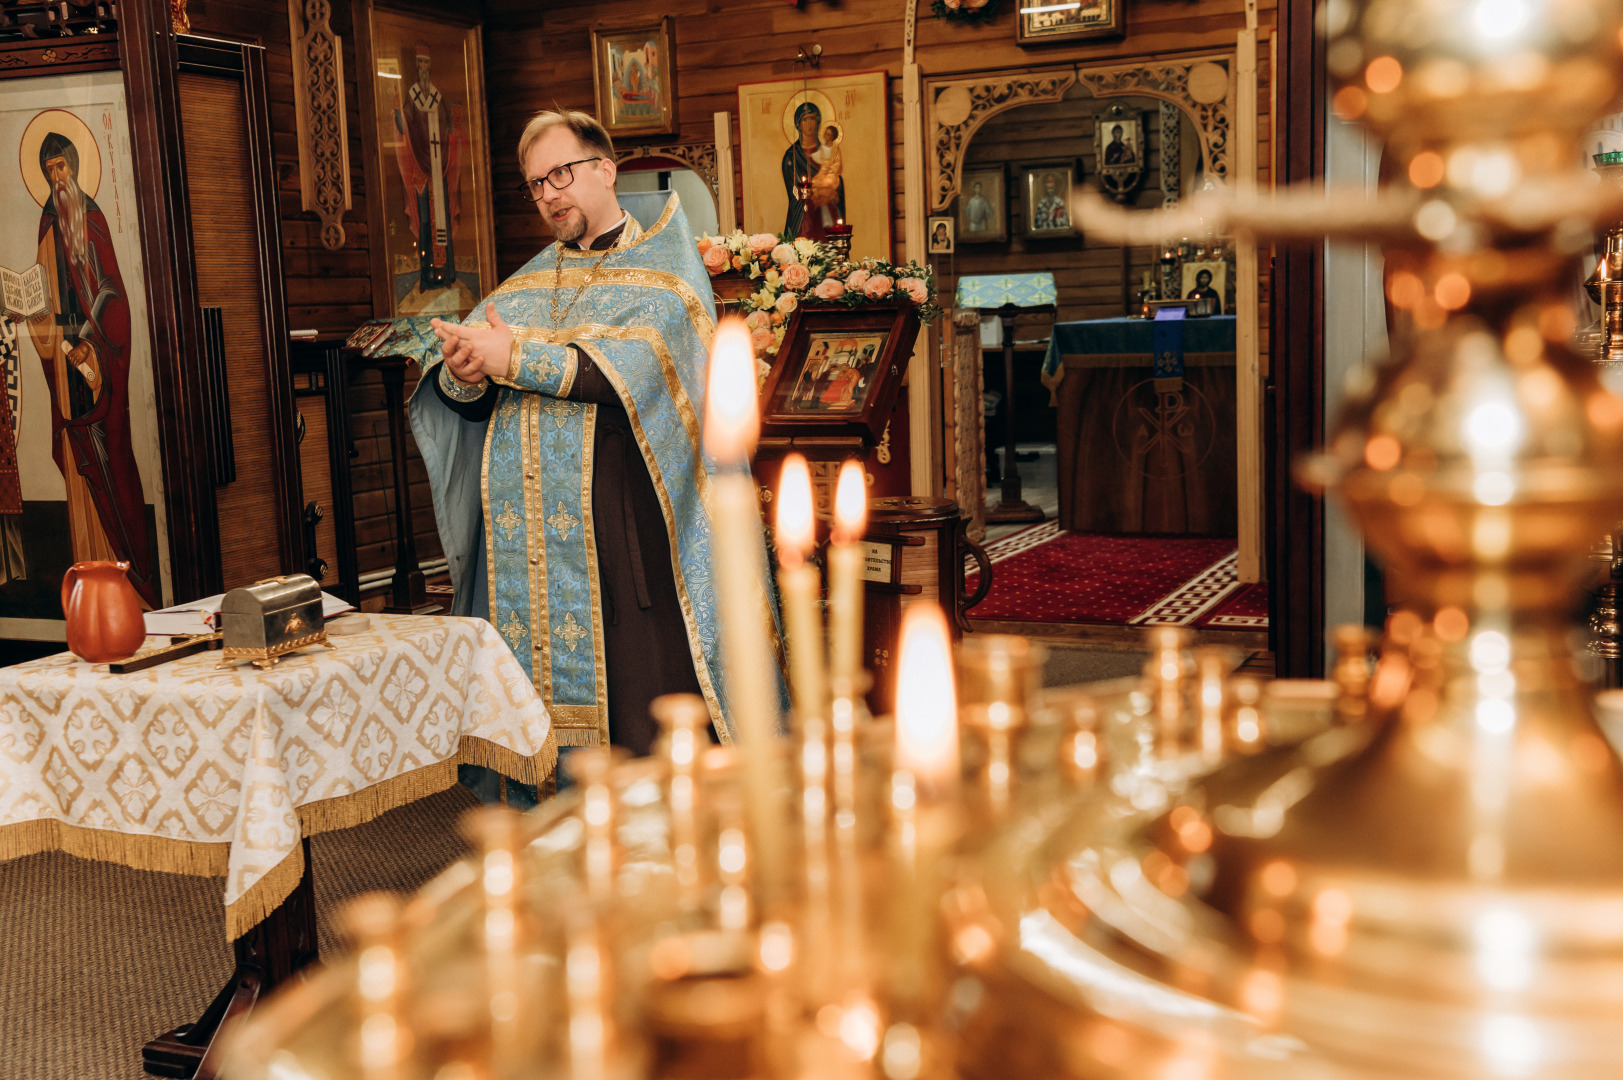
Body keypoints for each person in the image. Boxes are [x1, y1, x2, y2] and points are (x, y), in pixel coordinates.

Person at [412, 109, 785, 761]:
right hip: (527, 549)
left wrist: (514, 359)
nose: (549, 194)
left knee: (640, 715)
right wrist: (466, 372)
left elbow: (627, 374)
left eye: (561, 173)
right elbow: (470, 399)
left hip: (625, 533)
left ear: (606, 168)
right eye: (535, 184)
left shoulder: (665, 274)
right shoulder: (525, 282)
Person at [26, 131, 157, 605]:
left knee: (110, 461)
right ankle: (92, 584)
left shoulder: (92, 217)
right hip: (64, 364)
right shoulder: (48, 223)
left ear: (75, 166)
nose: (57, 178)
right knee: (82, 464)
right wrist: (30, 313)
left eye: (62, 167)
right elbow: (43, 291)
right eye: (49, 171)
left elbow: (112, 291)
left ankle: (134, 577)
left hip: (97, 361)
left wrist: (87, 340)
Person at [395, 43, 465, 302]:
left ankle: (446, 275)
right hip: (422, 172)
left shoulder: (437, 97)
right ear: (416, 68)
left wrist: (455, 123)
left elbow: (448, 129)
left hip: (440, 169)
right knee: (426, 223)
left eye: (426, 63)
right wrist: (395, 112)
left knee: (443, 220)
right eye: (420, 64)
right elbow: (404, 126)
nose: (423, 68)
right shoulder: (412, 97)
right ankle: (426, 278)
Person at [782, 102, 844, 240]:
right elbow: (793, 192)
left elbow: (838, 181)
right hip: (804, 219)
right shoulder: (791, 156)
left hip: (828, 216)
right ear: (798, 124)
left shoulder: (828, 151)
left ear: (818, 122)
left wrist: (832, 187)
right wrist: (811, 192)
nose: (810, 123)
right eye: (805, 119)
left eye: (813, 119)